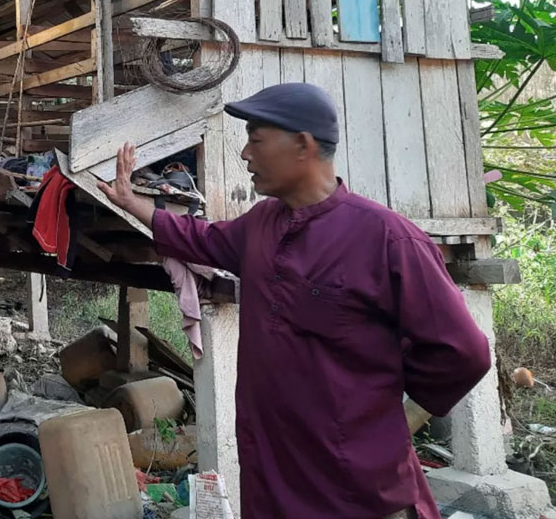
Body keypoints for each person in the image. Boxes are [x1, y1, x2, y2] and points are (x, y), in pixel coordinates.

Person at [97, 82, 491, 519]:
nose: (245, 154)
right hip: (271, 476)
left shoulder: (387, 238)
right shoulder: (263, 223)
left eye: (256, 140)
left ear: (303, 144)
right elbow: (203, 238)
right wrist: (132, 202)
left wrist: (390, 405)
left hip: (352, 489)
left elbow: (464, 352)